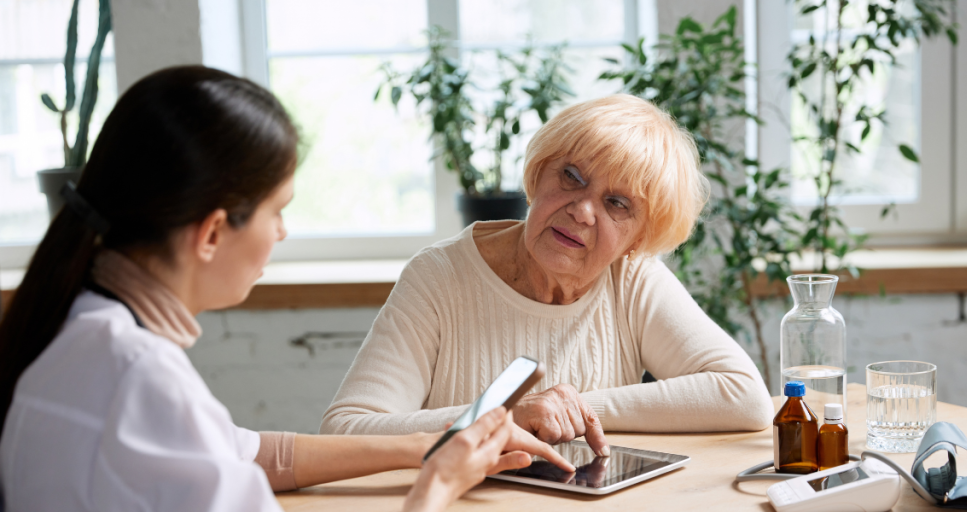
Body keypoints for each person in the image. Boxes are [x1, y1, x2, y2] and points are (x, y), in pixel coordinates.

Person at [0, 66, 571, 512]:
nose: (282, 232)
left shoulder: (83, 329)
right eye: (277, 211)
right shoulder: (141, 377)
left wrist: (437, 444)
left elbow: (251, 451)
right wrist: (439, 484)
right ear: (214, 232)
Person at [321, 94, 776, 453]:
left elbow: (744, 396)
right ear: (539, 174)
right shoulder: (439, 276)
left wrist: (577, 408)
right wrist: (502, 419)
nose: (581, 210)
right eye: (572, 176)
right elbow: (345, 432)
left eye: (616, 204)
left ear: (637, 240)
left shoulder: (632, 279)